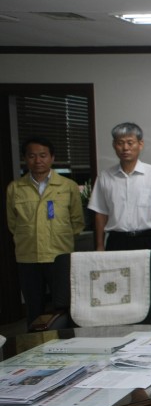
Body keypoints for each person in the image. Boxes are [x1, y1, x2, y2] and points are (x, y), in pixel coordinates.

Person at [5, 136, 85, 327]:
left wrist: (59, 237)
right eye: (32, 156)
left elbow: (77, 222)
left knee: (64, 305)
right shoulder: (15, 188)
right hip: (28, 257)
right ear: (25, 158)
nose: (38, 160)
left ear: (52, 158)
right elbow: (12, 223)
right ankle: (35, 346)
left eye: (43, 155)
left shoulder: (67, 186)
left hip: (59, 255)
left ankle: (66, 343)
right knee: (34, 307)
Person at [88, 122, 151, 251]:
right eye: (120, 143)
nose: (125, 148)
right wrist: (100, 245)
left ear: (140, 144)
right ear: (114, 145)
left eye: (130, 142)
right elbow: (100, 213)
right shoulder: (104, 176)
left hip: (147, 239)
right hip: (116, 240)